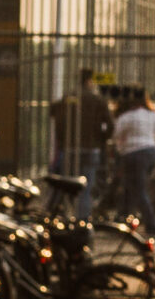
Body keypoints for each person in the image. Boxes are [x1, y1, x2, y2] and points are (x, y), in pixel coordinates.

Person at [110, 88, 155, 238]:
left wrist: (120, 149)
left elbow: (116, 135)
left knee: (137, 188)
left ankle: (151, 223)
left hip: (131, 154)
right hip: (150, 152)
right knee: (132, 185)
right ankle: (123, 215)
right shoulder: (151, 115)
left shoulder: (125, 117)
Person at [49, 69, 114, 221]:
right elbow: (110, 125)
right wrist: (100, 139)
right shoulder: (98, 100)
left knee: (67, 185)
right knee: (86, 187)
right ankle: (82, 220)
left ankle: (64, 216)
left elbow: (58, 119)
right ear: (90, 81)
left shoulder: (69, 98)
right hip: (91, 148)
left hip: (70, 147)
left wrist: (64, 140)